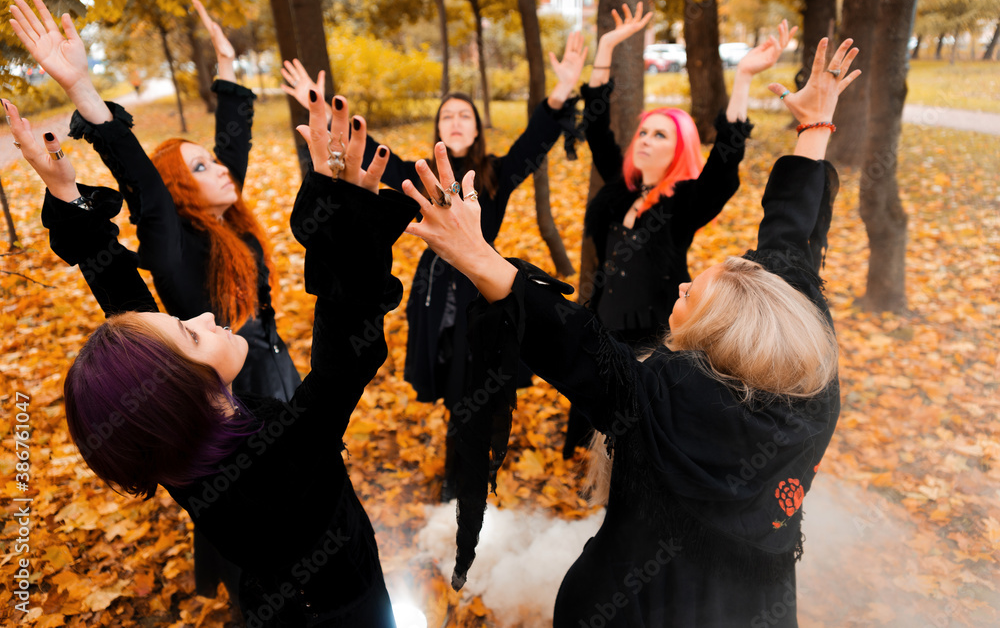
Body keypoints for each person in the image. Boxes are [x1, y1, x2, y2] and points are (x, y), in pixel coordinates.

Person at [402, 37, 859, 627]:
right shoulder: (806, 378)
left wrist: (479, 257)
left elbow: (570, 344)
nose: (685, 286)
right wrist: (814, 127)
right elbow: (790, 246)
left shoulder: (658, 407)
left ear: (721, 333)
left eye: (697, 294)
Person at [6, 80, 418, 625]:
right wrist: (342, 204)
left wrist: (65, 192)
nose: (204, 318)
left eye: (183, 321)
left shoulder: (181, 445)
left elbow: (126, 303)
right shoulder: (279, 465)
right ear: (178, 390)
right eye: (193, 335)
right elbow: (345, 356)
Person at [9, 0, 301, 601]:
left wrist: (226, 67)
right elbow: (145, 189)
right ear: (179, 194)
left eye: (215, 162)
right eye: (200, 167)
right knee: (263, 544)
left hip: (278, 370)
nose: (221, 169)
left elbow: (233, 146)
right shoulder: (177, 257)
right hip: (235, 402)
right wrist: (85, 94)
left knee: (303, 487)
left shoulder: (231, 224)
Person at [280, 37, 587, 501]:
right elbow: (370, 151)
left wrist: (561, 93)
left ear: (478, 128)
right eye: (448, 116)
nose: (457, 121)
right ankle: (459, 458)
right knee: (450, 378)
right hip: (435, 293)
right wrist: (319, 108)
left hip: (483, 290)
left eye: (466, 115)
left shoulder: (495, 175)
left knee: (476, 383)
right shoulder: (417, 173)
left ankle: (464, 476)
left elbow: (533, 142)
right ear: (439, 129)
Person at [564, 5, 796, 457]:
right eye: (644, 132)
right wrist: (608, 46)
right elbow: (595, 123)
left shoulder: (685, 203)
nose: (646, 139)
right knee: (592, 422)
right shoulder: (620, 188)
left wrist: (744, 77)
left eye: (660, 135)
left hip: (652, 337)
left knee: (633, 436)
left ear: (680, 148)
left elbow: (726, 163)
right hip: (601, 327)